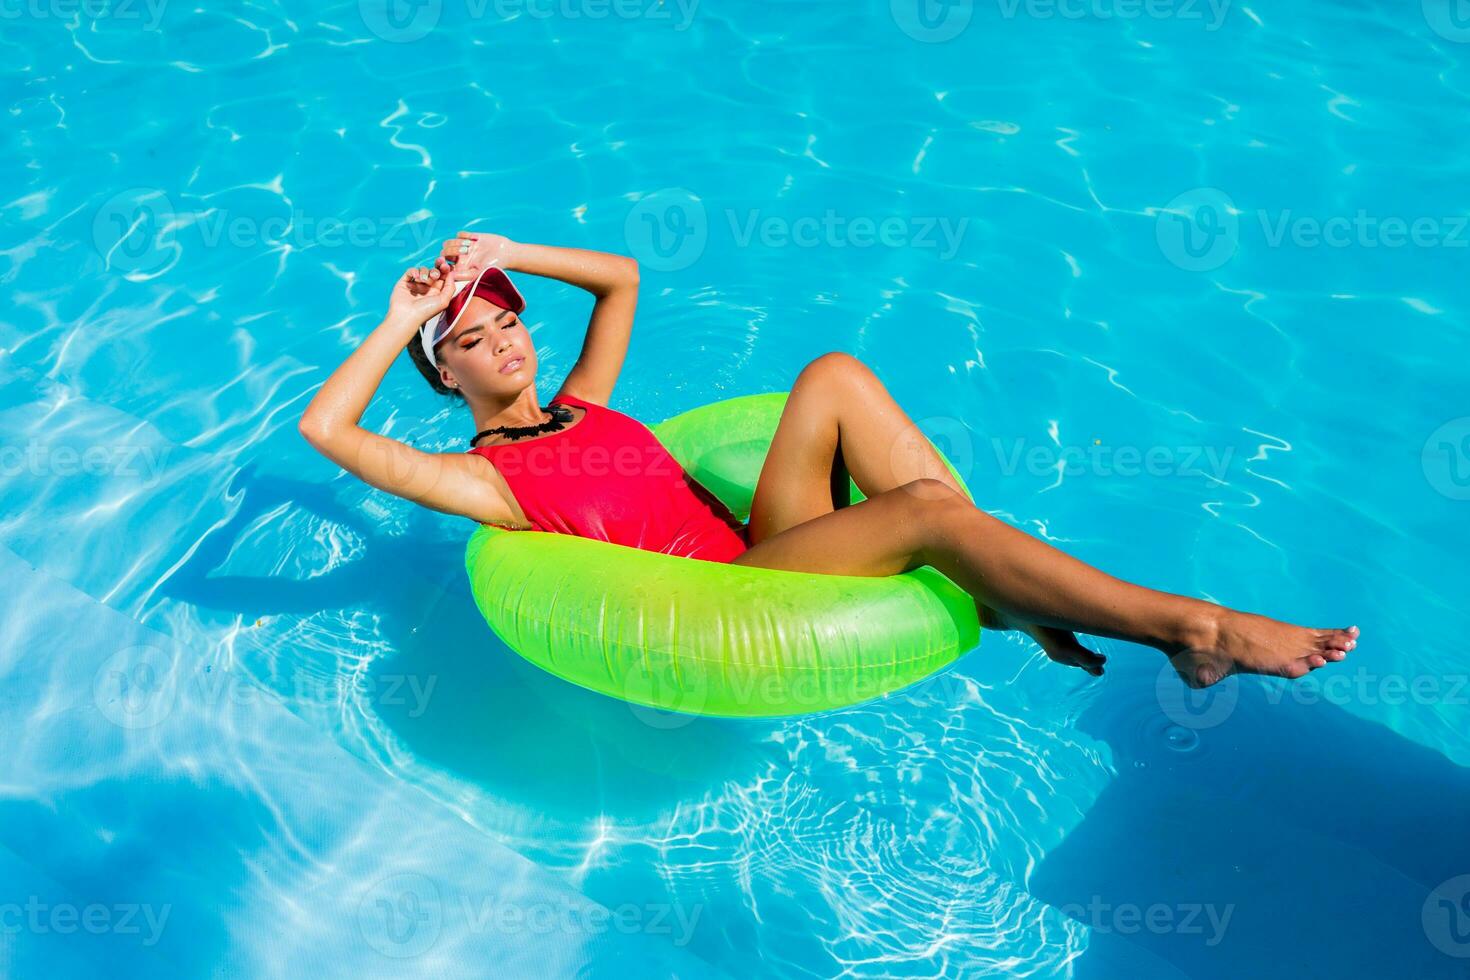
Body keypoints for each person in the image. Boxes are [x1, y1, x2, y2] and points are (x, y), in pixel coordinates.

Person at [298, 231, 1358, 689]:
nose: (506, 342)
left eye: (508, 321)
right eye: (473, 343)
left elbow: (621, 281)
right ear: (446, 379)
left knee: (835, 371)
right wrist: (411, 315)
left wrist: (502, 256)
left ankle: (1014, 595)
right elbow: (330, 433)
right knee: (931, 508)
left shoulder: (582, 401)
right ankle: (1195, 627)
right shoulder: (483, 479)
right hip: (729, 596)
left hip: (769, 546)